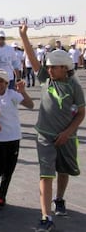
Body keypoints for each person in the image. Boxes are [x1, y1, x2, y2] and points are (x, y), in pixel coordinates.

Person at [19, 24, 85, 232]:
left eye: (53, 67)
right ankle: (46, 216)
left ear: (65, 67)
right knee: (46, 174)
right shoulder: (45, 79)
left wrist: (67, 133)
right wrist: (23, 36)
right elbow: (32, 58)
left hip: (66, 137)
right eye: (48, 67)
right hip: (44, 136)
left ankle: (60, 199)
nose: (49, 69)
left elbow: (82, 112)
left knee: (63, 171)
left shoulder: (75, 87)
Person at [0, 69, 33, 209]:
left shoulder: (12, 95)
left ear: (7, 83)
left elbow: (30, 105)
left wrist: (22, 91)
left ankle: (2, 196)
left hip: (14, 136)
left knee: (9, 169)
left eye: (1, 82)